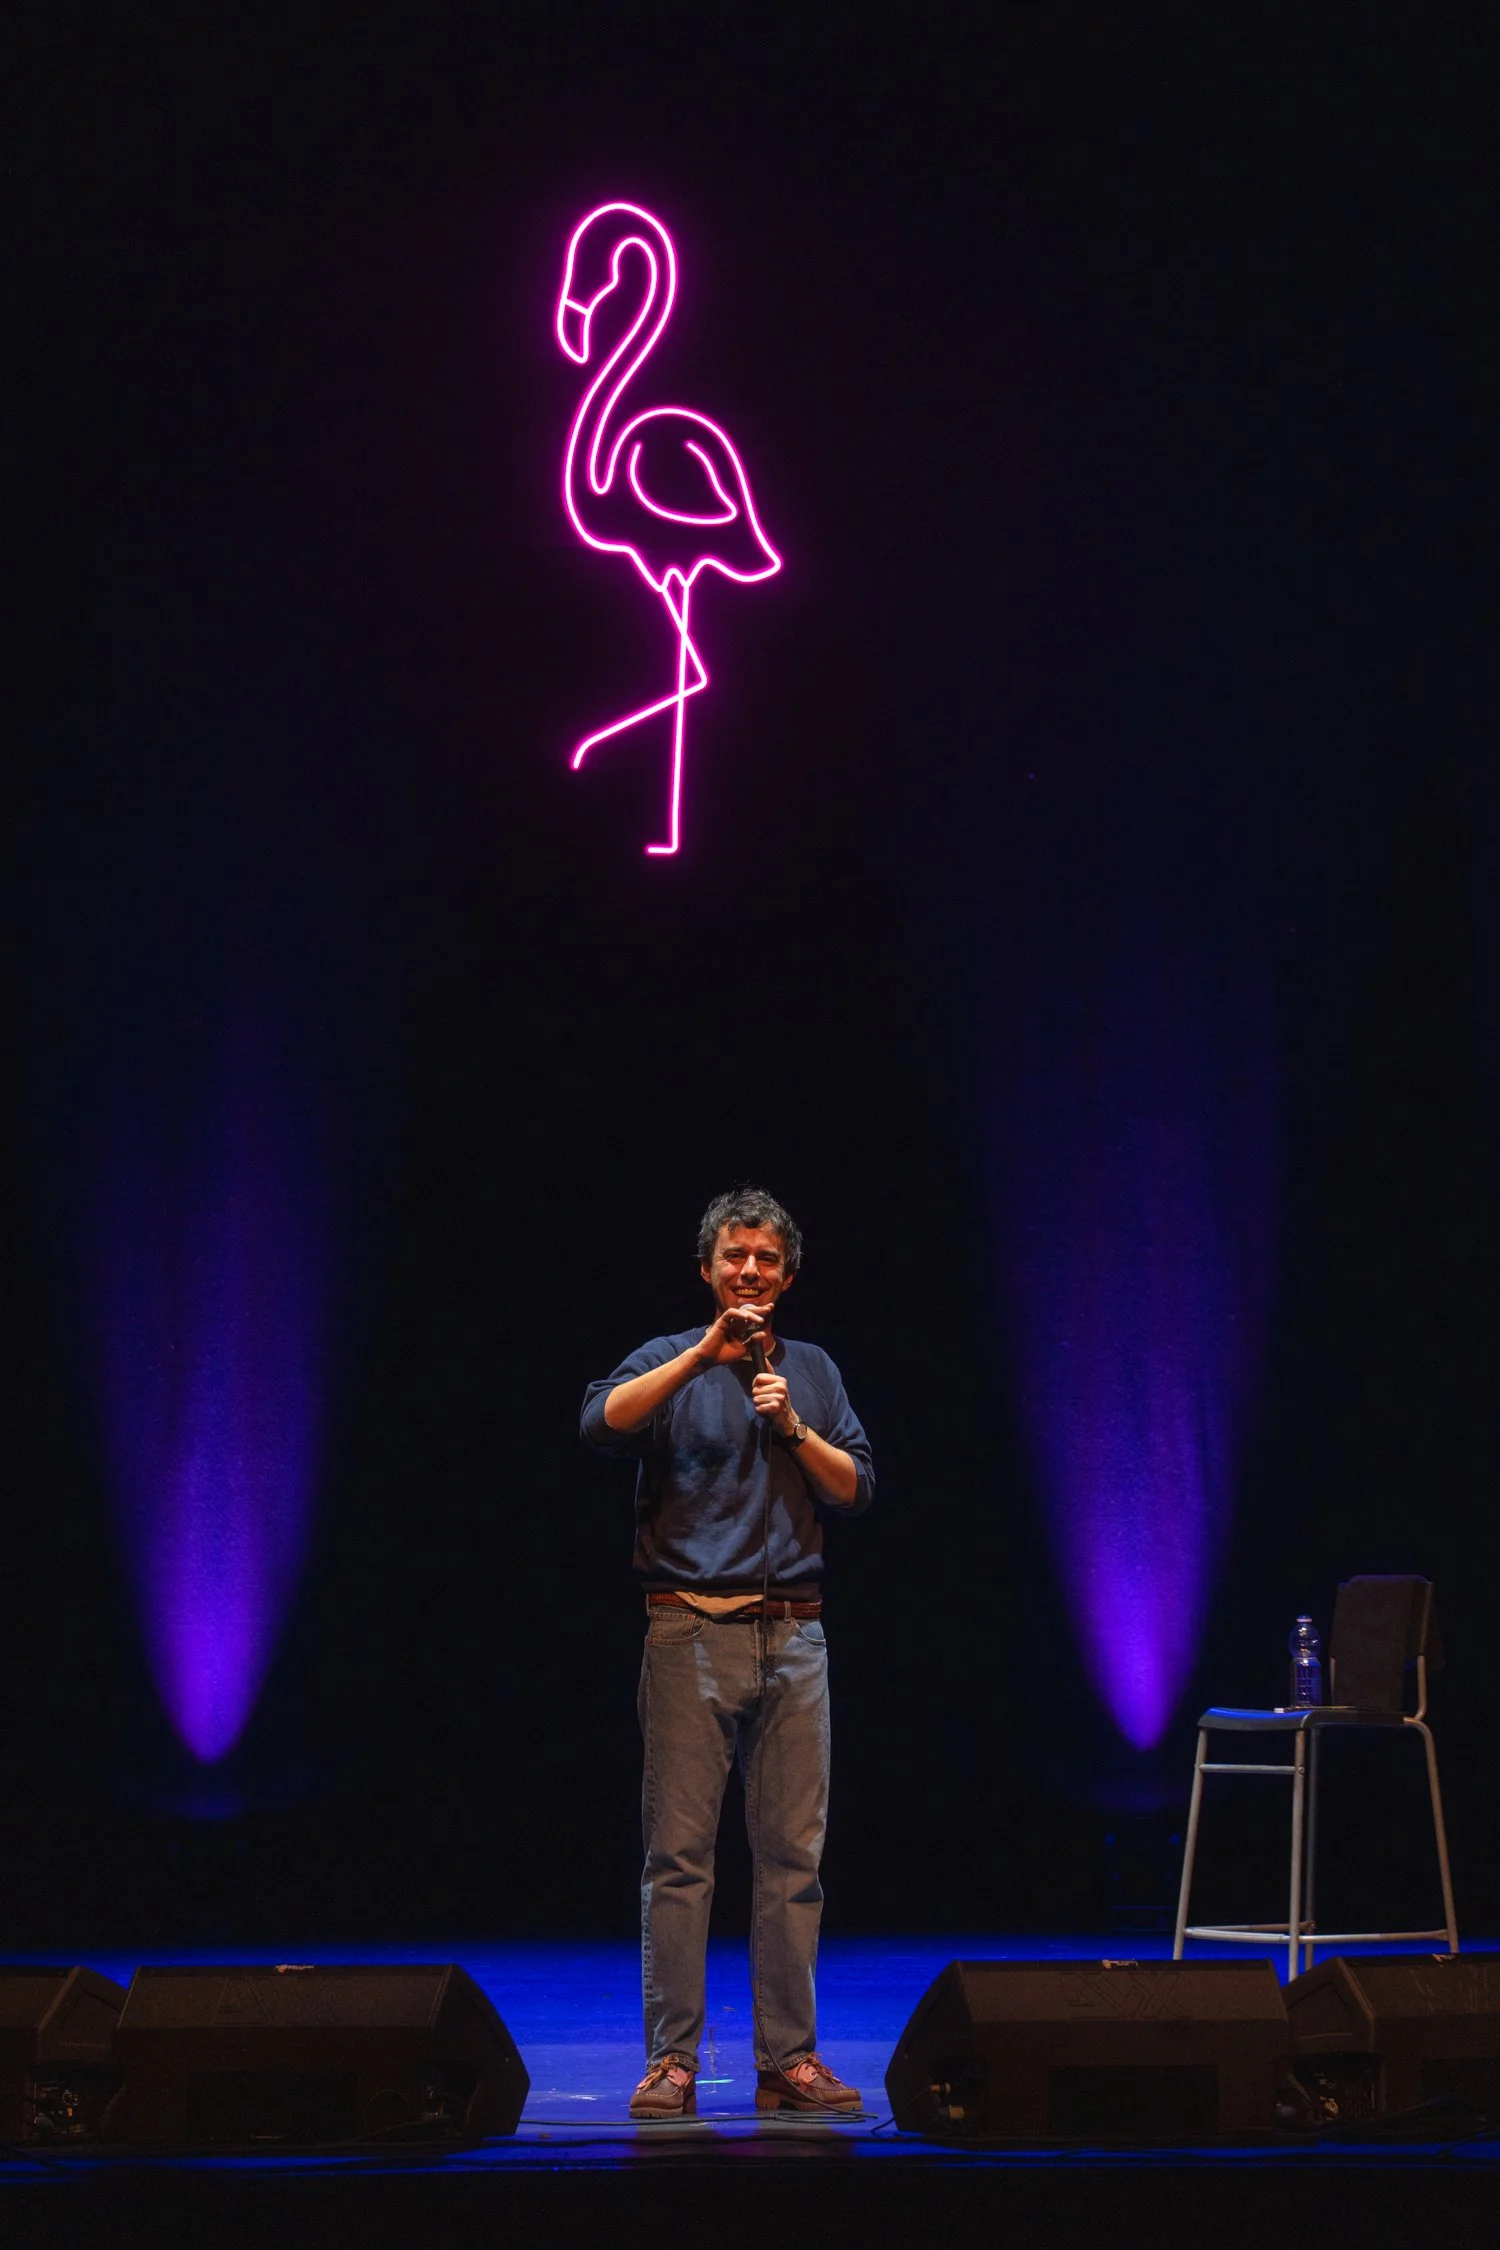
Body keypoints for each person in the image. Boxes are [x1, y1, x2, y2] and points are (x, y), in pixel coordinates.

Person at [580, 1185, 874, 2121]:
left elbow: (854, 1488)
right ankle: (672, 2061)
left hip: (795, 1636)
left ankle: (789, 2061)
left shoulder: (813, 1369)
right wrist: (704, 1355)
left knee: (793, 1861)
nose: (751, 1270)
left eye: (767, 1259)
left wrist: (793, 1427)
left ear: (788, 1277)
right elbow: (601, 1423)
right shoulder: (670, 1357)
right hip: (689, 1629)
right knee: (679, 1860)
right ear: (708, 1269)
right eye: (735, 1256)